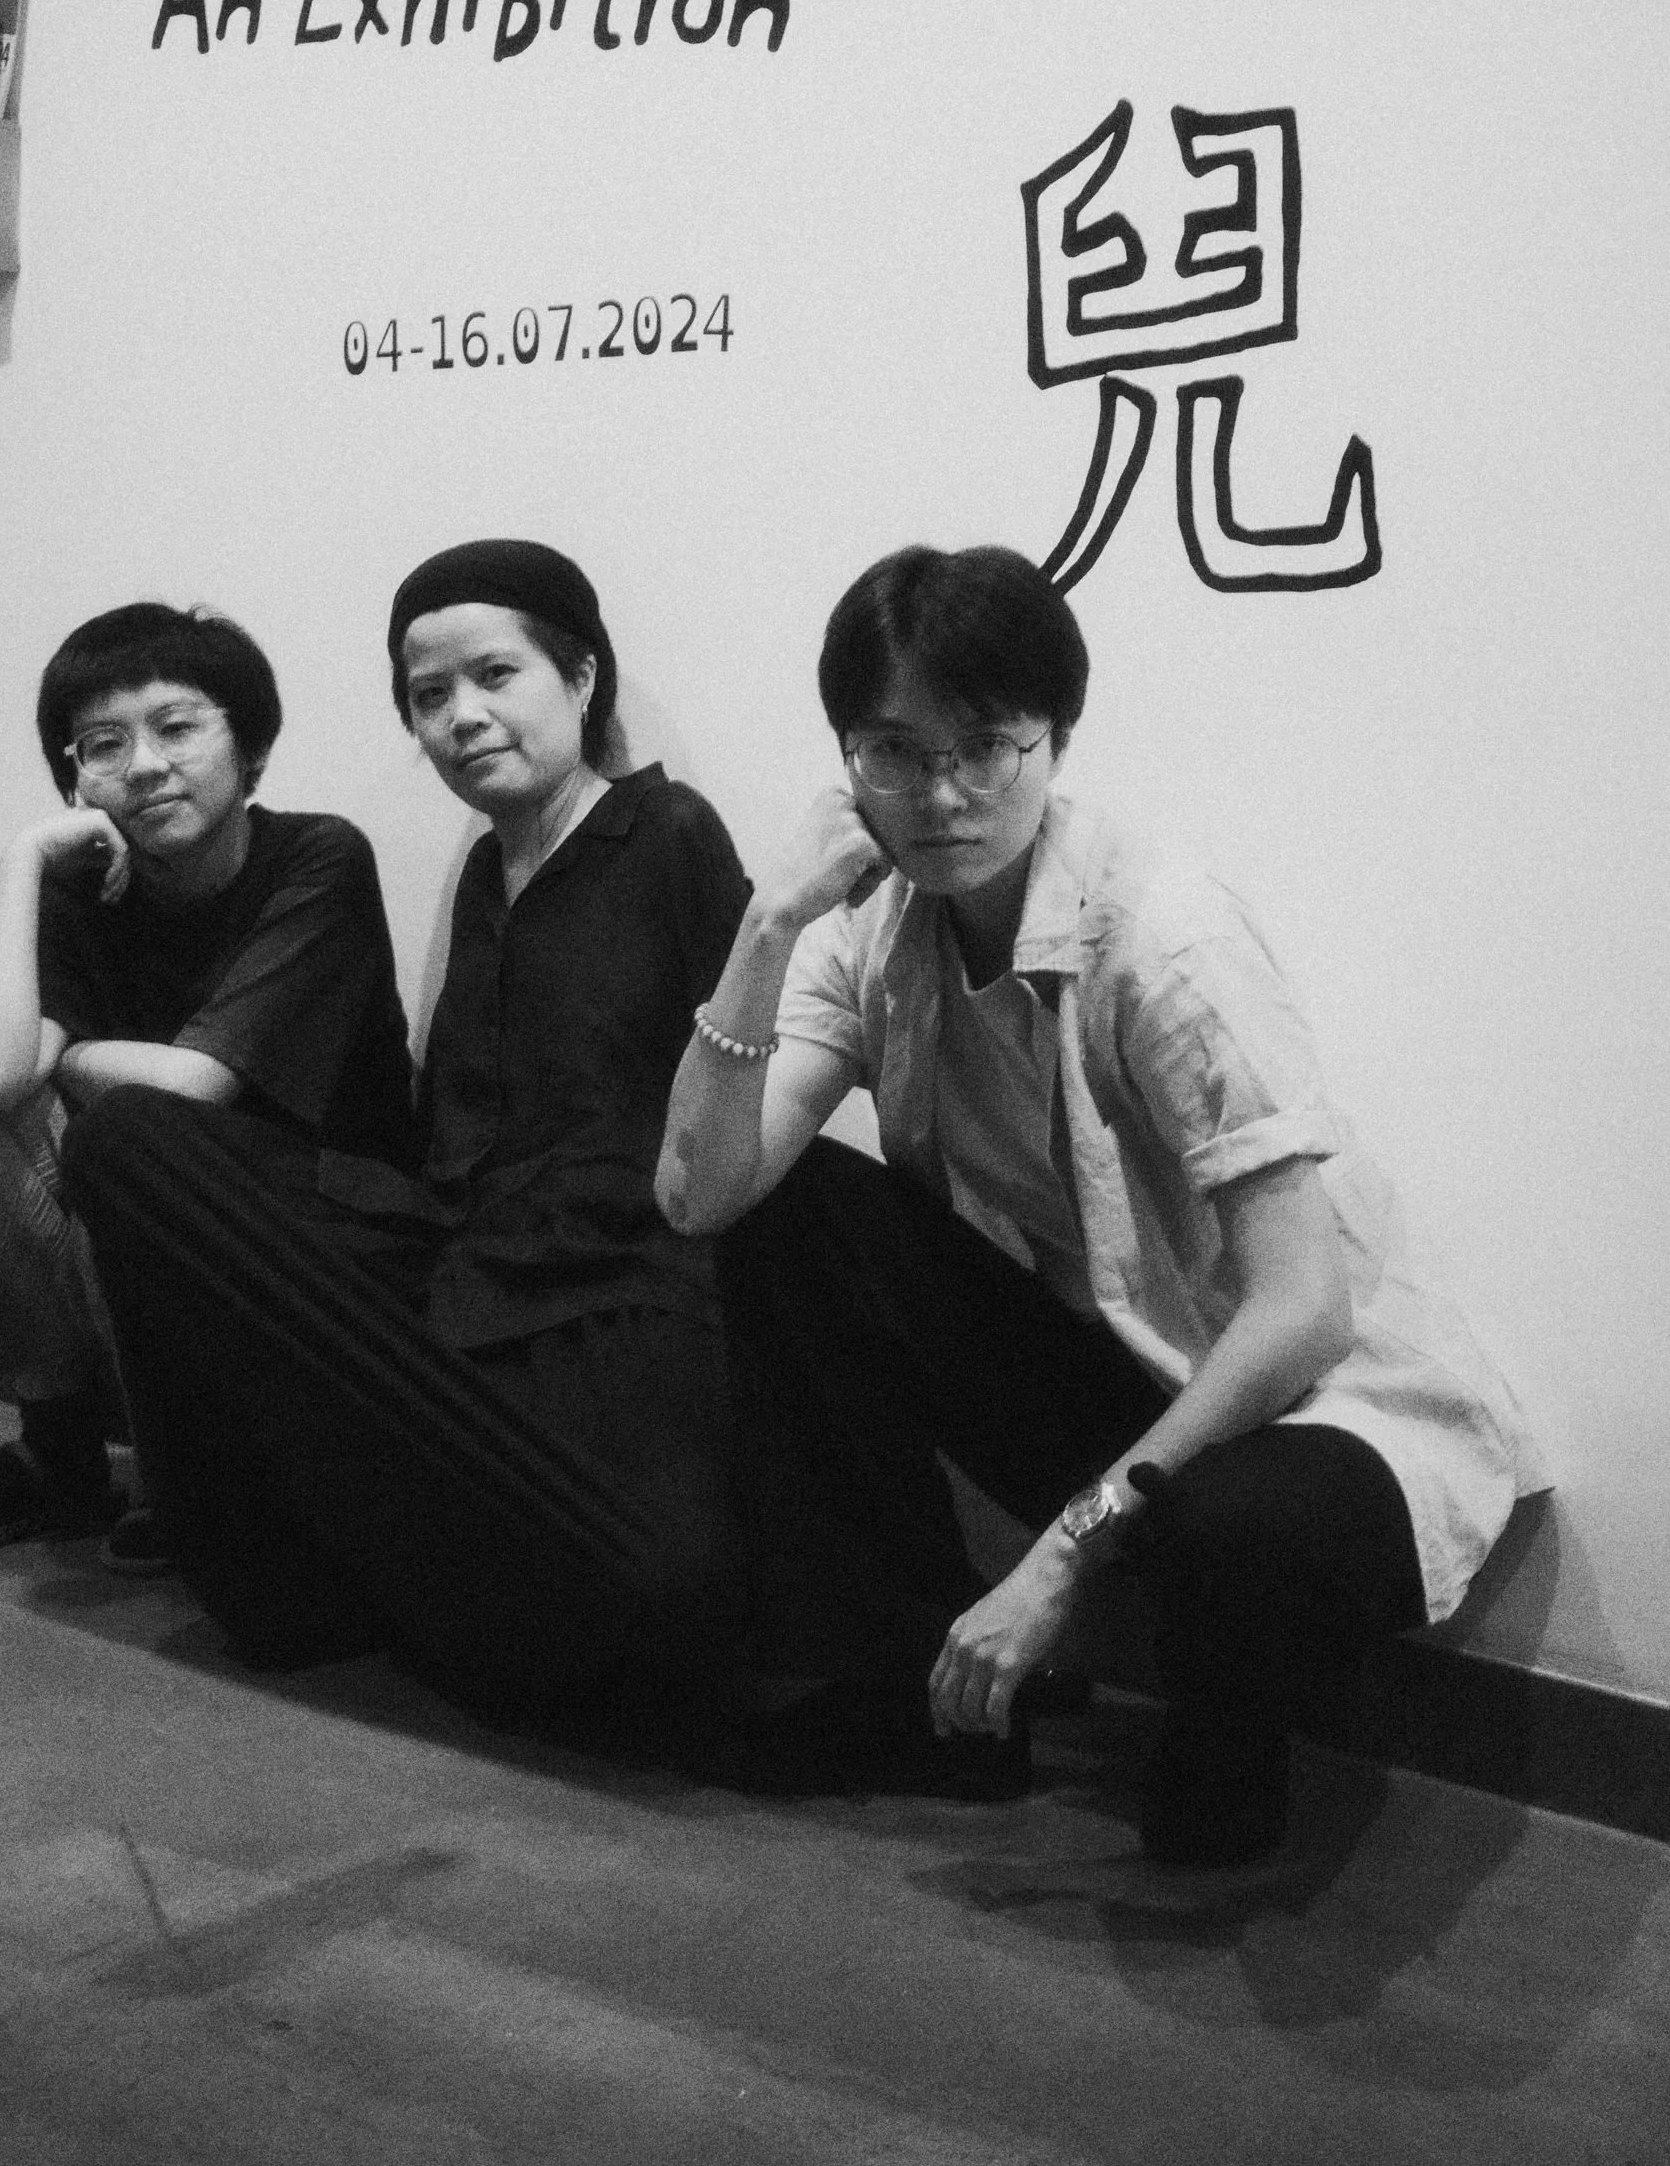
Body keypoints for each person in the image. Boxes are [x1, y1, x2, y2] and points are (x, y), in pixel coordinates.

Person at [656, 545, 1547, 1861]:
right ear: (846, 759)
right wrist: (768, 922)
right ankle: (909, 1692)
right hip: (1126, 1361)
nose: (941, 796)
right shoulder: (867, 926)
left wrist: (1066, 1550)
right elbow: (697, 1195)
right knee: (791, 1219)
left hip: (1321, 1403)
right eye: (894, 753)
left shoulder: (1160, 935)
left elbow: (1302, 1310)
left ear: (1054, 741)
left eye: (985, 748)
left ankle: (1228, 1734)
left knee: (1240, 1550)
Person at [59, 541, 753, 1749]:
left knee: (655, 1598)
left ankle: (401, 1576)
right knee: (132, 1149)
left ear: (581, 676)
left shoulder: (666, 830)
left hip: (613, 1290)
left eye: (494, 675)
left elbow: (749, 1092)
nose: (460, 715)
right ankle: (280, 1549)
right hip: (453, 1261)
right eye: (429, 696)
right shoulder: (485, 870)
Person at [0, 602, 414, 1565]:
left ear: (251, 749)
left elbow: (189, 1089)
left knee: (123, 1139)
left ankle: (196, 1469)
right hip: (160, 1214)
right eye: (104, 744)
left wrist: (68, 1056)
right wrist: (23, 862)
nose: (143, 765)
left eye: (177, 727)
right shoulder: (83, 887)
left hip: (325, 1230)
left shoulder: (319, 860)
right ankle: (61, 1457)